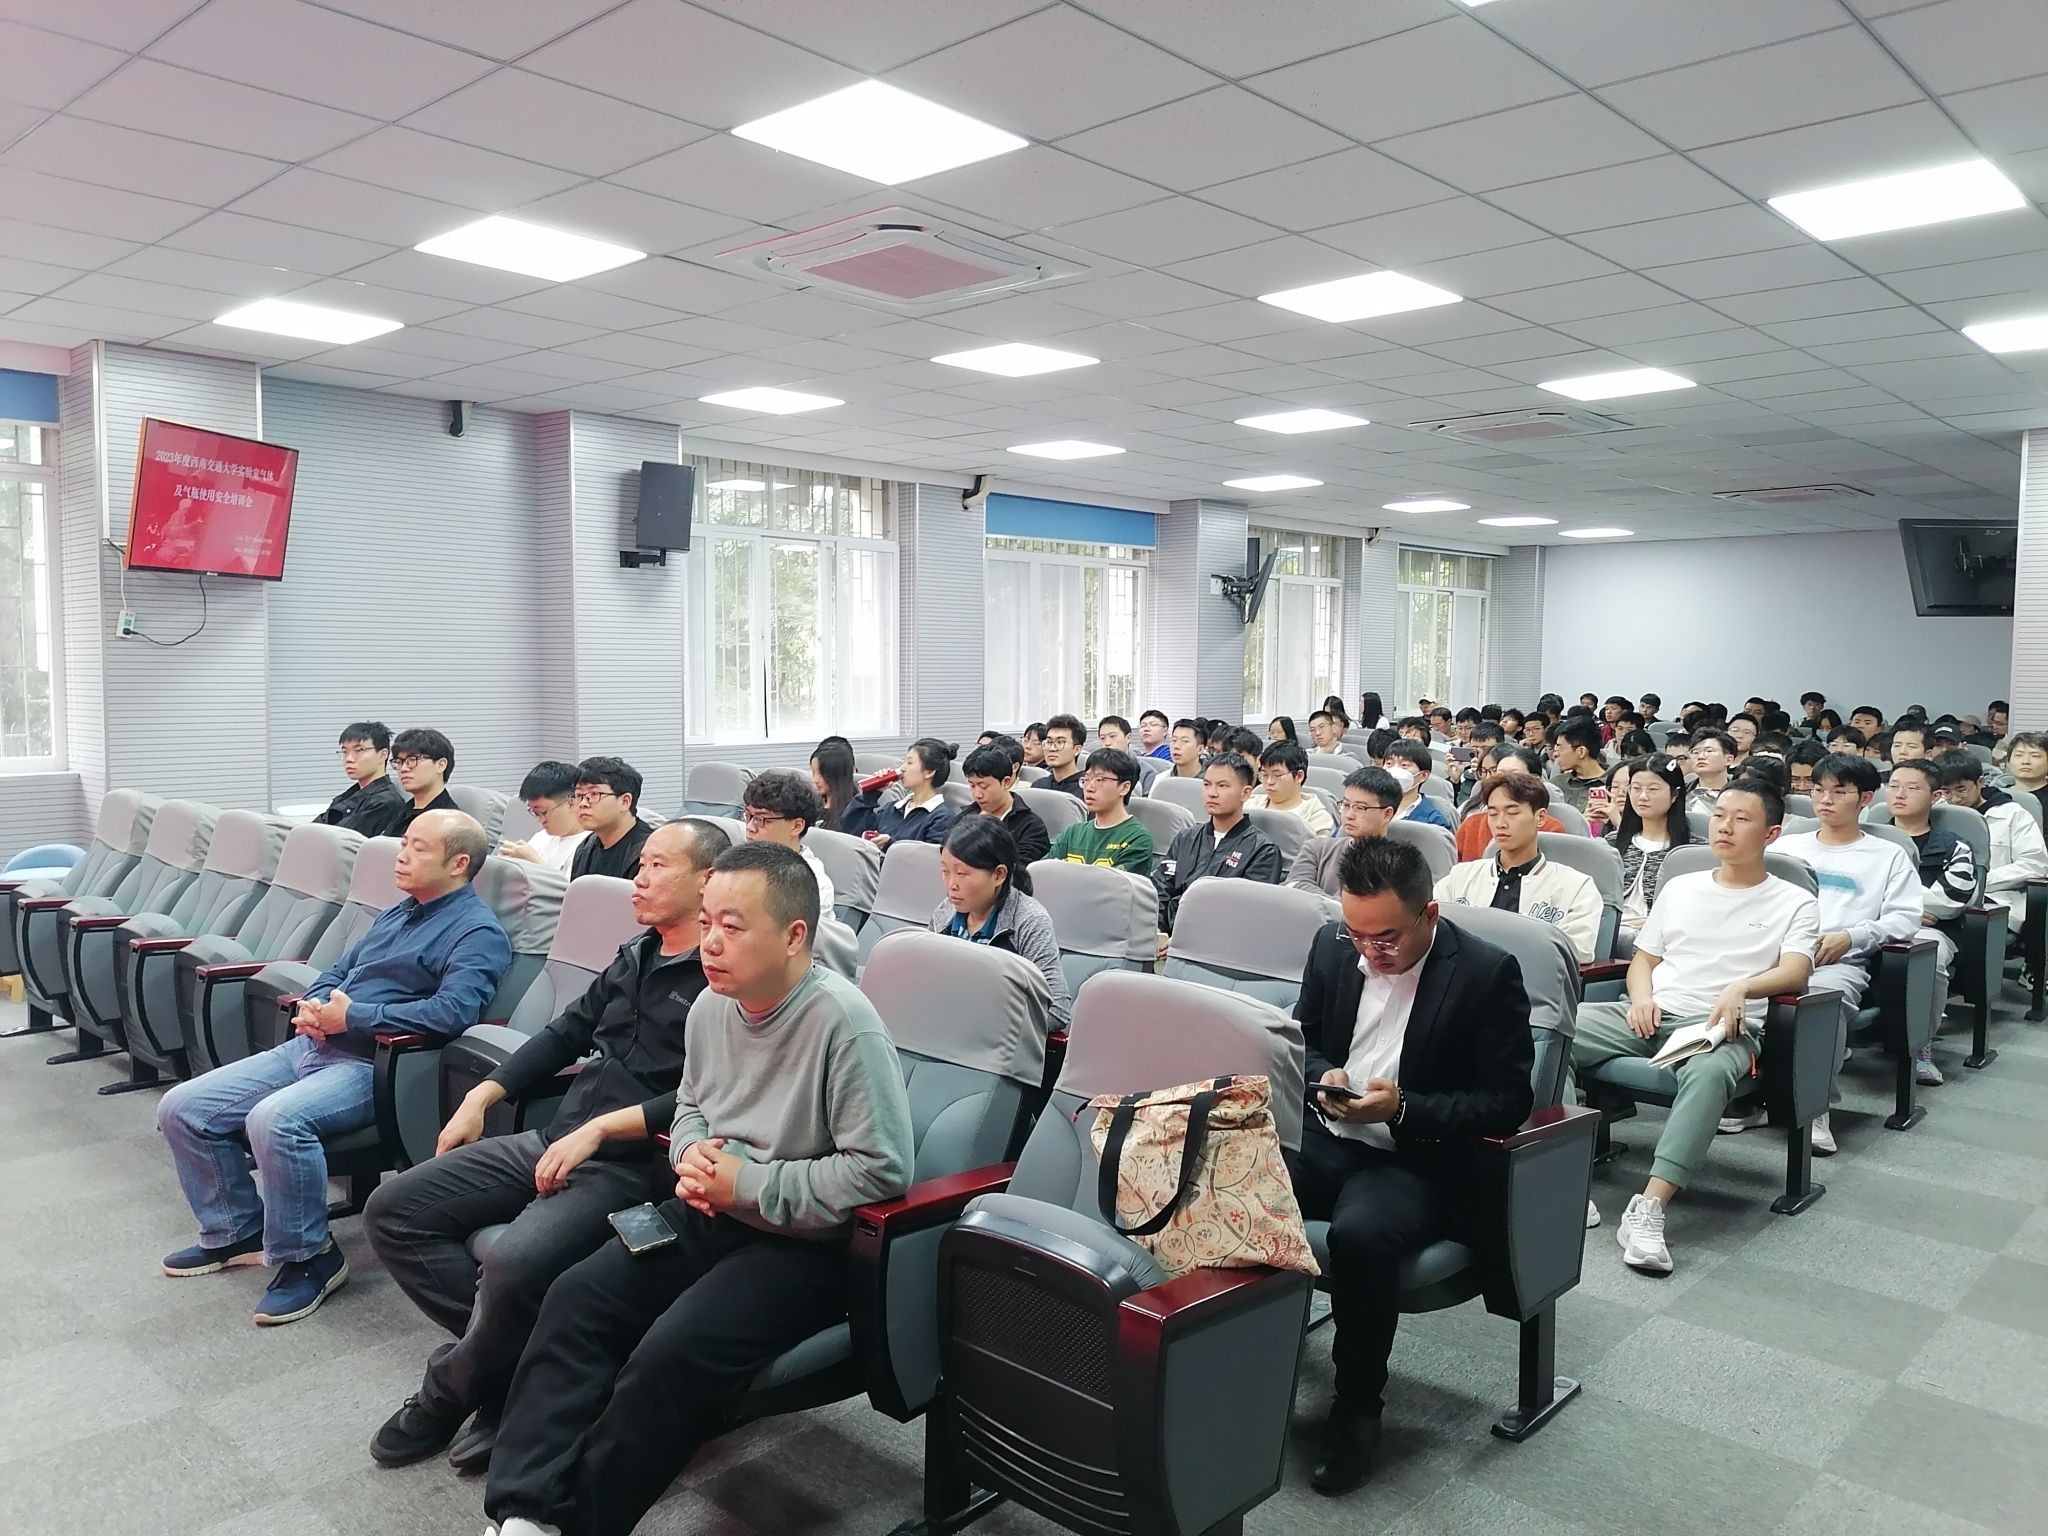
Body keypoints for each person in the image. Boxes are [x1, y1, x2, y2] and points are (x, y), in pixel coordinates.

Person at [481, 844, 913, 1536]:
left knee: (669, 1353)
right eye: (707, 921)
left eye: (732, 927)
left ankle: (579, 1522)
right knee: (576, 1298)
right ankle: (522, 1512)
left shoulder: (844, 1024)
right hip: (707, 1210)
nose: (709, 942)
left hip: (800, 1246)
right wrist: (689, 1155)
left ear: (794, 936)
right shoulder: (713, 1006)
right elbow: (690, 1105)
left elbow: (880, 1172)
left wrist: (750, 1183)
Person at [364, 819, 730, 1470]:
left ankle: (446, 1392)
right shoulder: (636, 953)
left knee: (512, 1264)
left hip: (630, 1164)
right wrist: (483, 1096)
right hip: (556, 1136)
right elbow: (567, 1033)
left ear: (708, 881)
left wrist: (602, 1130)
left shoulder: (722, 977)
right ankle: (518, 1367)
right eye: (640, 864)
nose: (639, 878)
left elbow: (706, 1096)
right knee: (393, 1211)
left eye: (658, 866)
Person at [156, 811, 511, 1324]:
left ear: (459, 864)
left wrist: (355, 1017)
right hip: (316, 1044)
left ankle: (311, 1257)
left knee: (275, 1120)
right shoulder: (399, 913)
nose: (402, 856)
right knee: (182, 1107)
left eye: (418, 848)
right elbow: (341, 971)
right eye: (403, 844)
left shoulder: (478, 932)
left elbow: (454, 1013)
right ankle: (236, 1231)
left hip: (378, 1064)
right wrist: (316, 1006)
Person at [1291, 836, 1533, 1494]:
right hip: (1329, 1133)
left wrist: (1403, 1108)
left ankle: (1356, 1406)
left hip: (1415, 1157)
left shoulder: (1486, 972)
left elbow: (1507, 1101)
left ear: (1429, 913)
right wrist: (1323, 1075)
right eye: (1357, 934)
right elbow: (1302, 1038)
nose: (1369, 951)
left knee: (1363, 1237)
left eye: (1387, 938)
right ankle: (1240, 1359)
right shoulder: (1332, 946)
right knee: (1236, 1179)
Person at [1571, 780, 1818, 1273]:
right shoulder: (1682, 887)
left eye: (1741, 819)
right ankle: (1567, 1177)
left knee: (1709, 1073)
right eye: (1720, 815)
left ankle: (1649, 1207)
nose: (1724, 827)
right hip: (1650, 1013)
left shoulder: (1794, 900)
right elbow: (1644, 960)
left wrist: (1743, 987)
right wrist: (1642, 997)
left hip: (1722, 1026)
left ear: (1771, 834)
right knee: (1550, 1031)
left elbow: (1796, 971)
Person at [1763, 754, 1924, 1132]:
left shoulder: (1888, 855)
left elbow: (1905, 919)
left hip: (1838, 960)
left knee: (1817, 1002)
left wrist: (1853, 936)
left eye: (1839, 792)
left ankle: (1814, 1109)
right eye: (1818, 790)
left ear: (1865, 798)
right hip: (1774, 953)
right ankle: (1754, 1097)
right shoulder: (1787, 847)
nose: (1825, 800)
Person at [1436, 773, 1603, 962]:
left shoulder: (1576, 887)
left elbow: (1580, 950)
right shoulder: (1460, 876)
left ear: (1540, 817)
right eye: (1493, 814)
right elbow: (1430, 930)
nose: (1500, 823)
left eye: (1513, 813)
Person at [933, 816, 1071, 1030]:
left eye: (962, 873)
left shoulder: (1030, 921)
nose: (951, 884)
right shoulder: (944, 912)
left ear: (999, 875)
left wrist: (985, 1024)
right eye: (945, 871)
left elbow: (1057, 1009)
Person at [1152, 752, 1281, 949]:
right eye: (1207, 784)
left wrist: (1186, 940)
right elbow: (1161, 889)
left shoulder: (1263, 850)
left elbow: (1245, 915)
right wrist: (1156, 932)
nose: (1212, 793)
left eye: (1222, 786)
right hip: (1164, 940)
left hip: (1216, 946)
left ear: (1245, 793)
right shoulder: (1186, 838)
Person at [1937, 749, 2047, 942]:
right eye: (1946, 791)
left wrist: (1978, 883)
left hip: (1996, 899)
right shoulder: (1937, 813)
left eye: (1961, 790)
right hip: (1941, 898)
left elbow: (2035, 864)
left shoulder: (2012, 814)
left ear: (1980, 782)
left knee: (1966, 932)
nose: (1954, 798)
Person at [1887, 759, 1976, 994]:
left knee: (1925, 958)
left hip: (1929, 931)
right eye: (1893, 786)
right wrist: (1907, 910)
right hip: (1866, 922)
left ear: (1935, 796)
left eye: (1912, 788)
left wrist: (1886, 903)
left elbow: (1949, 901)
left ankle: (1922, 1018)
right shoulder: (1867, 840)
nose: (1900, 794)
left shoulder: (1954, 846)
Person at [1608, 753, 1692, 936]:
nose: (1643, 796)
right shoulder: (1611, 843)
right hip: (1610, 930)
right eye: (1636, 788)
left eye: (1653, 789)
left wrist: (1657, 922)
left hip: (1662, 934)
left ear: (1675, 794)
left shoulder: (1693, 851)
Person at [1290, 766, 1400, 897]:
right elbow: (1294, 885)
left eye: (1360, 808)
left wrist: (1322, 903)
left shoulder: (1395, 865)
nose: (1349, 815)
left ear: (1387, 814)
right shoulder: (1317, 848)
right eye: (1346, 805)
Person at [741, 770, 836, 920]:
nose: (750, 827)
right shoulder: (740, 862)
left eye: (760, 819)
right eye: (748, 816)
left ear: (796, 826)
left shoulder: (812, 885)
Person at [1046, 746, 1155, 874]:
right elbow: (1044, 872)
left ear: (1124, 788)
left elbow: (1117, 884)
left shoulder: (1137, 839)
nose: (1089, 788)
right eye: (1086, 779)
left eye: (1099, 780)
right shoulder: (1072, 833)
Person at [842, 738, 960, 849]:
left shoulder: (941, 818)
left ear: (929, 772)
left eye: (909, 763)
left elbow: (930, 858)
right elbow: (851, 829)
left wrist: (890, 844)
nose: (902, 768)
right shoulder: (891, 809)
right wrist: (871, 794)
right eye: (904, 762)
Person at [1454, 746, 1563, 861]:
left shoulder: (1552, 829)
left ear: (1535, 780)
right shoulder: (1471, 824)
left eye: (1512, 812)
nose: (1505, 782)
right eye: (1499, 775)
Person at [959, 741, 1051, 866]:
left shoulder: (1030, 827)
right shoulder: (964, 817)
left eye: (983, 786)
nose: (977, 794)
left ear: (1006, 782)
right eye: (972, 786)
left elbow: (1019, 871)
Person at [317, 720, 408, 838]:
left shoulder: (384, 803)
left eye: (359, 750)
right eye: (345, 752)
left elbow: (339, 841)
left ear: (383, 754)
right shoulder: (349, 795)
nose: (349, 759)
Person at [569, 757, 652, 880]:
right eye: (578, 795)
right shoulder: (585, 848)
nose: (583, 803)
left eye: (594, 794)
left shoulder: (649, 851)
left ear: (625, 801)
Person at [497, 761, 589, 873]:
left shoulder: (589, 847)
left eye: (543, 812)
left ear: (573, 800)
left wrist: (534, 862)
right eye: (535, 813)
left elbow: (570, 885)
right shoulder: (541, 838)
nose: (540, 820)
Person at [1250, 738, 1335, 835]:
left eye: (1277, 775)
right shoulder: (1249, 805)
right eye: (1265, 775)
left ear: (1299, 776)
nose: (1269, 782)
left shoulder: (1317, 818)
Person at [391, 726, 461, 832]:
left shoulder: (448, 822)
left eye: (412, 760)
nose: (403, 769)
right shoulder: (403, 812)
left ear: (441, 765)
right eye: (399, 762)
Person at [1383, 740, 1453, 830]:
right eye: (1389, 764)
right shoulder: (1371, 807)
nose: (1394, 770)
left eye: (1404, 765)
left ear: (1423, 775)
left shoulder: (1433, 822)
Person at [1547, 716, 1610, 816]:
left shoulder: (1613, 785)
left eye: (1560, 748)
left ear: (1581, 751)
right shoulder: (1556, 784)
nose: (1555, 754)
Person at [809, 737, 859, 834]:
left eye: (821, 774)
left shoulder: (854, 812)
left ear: (836, 775)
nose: (814, 780)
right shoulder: (811, 804)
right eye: (813, 773)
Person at [1685, 729, 1736, 817]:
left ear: (1729, 759)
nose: (1700, 756)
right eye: (1695, 752)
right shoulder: (1680, 794)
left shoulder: (1741, 795)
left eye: (1709, 751)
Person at [1039, 713, 1087, 796]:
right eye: (1049, 742)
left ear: (1077, 750)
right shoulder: (1038, 786)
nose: (1052, 748)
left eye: (1060, 742)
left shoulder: (1087, 788)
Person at [2007, 730, 2048, 822]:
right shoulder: (1997, 795)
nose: (2025, 761)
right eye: (2019, 755)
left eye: (2035, 756)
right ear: (2008, 761)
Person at [1588, 758, 1633, 837]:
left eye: (1628, 786)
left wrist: (1618, 822)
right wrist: (1584, 823)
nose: (1620, 793)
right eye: (1615, 786)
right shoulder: (1603, 823)